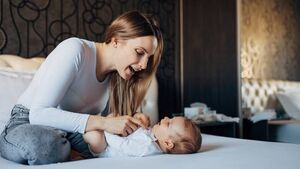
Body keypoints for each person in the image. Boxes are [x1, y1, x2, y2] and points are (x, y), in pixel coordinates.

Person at [0, 11, 163, 165]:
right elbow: (38, 114)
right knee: (45, 145)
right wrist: (104, 122)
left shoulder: (116, 77)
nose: (143, 65)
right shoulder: (76, 49)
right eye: (139, 52)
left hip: (70, 135)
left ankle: (68, 153)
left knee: (104, 144)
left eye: (148, 58)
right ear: (116, 41)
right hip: (26, 123)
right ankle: (67, 152)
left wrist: (130, 125)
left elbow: (102, 131)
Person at [82, 116, 202, 158]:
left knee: (96, 138)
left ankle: (75, 138)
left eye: (169, 123)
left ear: (168, 143)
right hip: (113, 136)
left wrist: (107, 128)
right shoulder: (153, 135)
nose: (165, 118)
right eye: (170, 118)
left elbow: (122, 145)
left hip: (107, 148)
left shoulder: (147, 147)